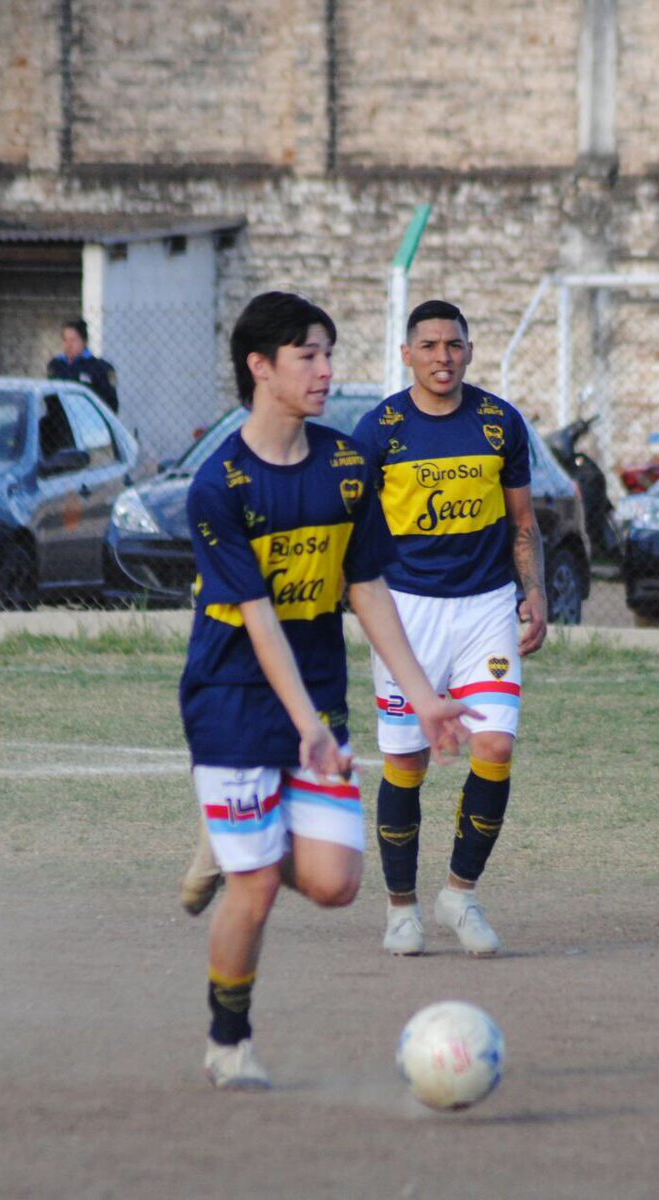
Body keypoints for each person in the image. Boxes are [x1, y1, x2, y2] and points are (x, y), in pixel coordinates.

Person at [178, 291, 477, 1090]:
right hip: (232, 698)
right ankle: (228, 1042)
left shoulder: (347, 466)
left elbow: (368, 588)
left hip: (315, 694)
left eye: (327, 353)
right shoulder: (220, 486)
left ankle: (235, 833)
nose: (324, 370)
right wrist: (304, 720)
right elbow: (258, 617)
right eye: (306, 355)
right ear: (260, 367)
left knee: (336, 885)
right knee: (254, 887)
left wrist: (421, 695)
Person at [351, 299, 548, 958]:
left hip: (486, 606)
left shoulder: (499, 423)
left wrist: (535, 592)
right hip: (405, 613)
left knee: (493, 747)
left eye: (453, 344)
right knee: (405, 761)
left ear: (468, 351)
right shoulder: (377, 431)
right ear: (406, 354)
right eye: (429, 345)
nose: (442, 356)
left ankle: (459, 894)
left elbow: (522, 520)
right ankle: (400, 908)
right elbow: (353, 533)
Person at [46, 318, 119, 412]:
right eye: (65, 340)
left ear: (84, 341)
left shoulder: (100, 368)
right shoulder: (56, 365)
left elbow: (111, 404)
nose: (68, 345)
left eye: (73, 340)